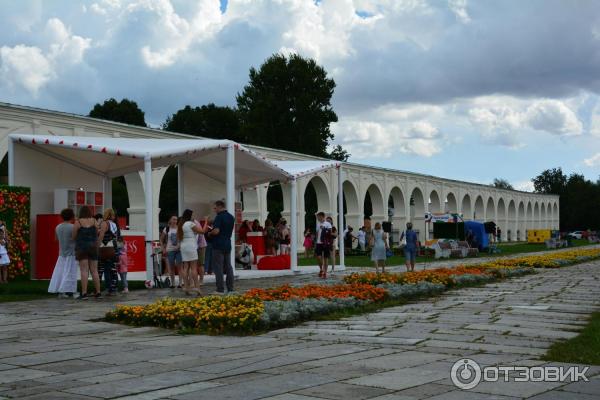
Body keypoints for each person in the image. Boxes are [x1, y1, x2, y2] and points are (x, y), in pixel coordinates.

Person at [73, 206, 101, 299]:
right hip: (93, 247)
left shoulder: (78, 222)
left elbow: (74, 236)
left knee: (84, 271)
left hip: (82, 247)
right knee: (94, 270)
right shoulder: (94, 221)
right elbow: (97, 233)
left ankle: (84, 293)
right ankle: (98, 292)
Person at [207, 200, 235, 294]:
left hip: (218, 245)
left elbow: (216, 231)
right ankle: (230, 289)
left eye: (215, 208)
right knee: (228, 267)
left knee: (218, 268)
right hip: (227, 244)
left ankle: (220, 289)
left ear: (220, 206)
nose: (214, 210)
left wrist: (210, 233)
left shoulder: (219, 217)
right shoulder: (231, 217)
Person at [48, 208, 78, 297]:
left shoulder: (58, 227)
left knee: (60, 272)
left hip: (61, 253)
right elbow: (75, 238)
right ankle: (68, 290)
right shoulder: (73, 227)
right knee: (70, 273)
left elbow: (56, 239)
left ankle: (60, 290)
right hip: (72, 253)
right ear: (72, 216)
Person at [178, 209, 206, 295]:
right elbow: (202, 231)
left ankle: (186, 287)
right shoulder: (190, 224)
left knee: (186, 267)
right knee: (193, 268)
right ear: (189, 216)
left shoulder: (180, 224)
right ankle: (197, 287)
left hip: (183, 246)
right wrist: (206, 221)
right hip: (191, 245)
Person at [98, 208, 119, 296]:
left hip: (105, 249)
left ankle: (108, 288)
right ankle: (114, 288)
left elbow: (102, 235)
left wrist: (97, 245)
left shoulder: (104, 223)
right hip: (113, 249)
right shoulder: (114, 224)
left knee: (105, 269)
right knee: (112, 269)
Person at [160, 215, 181, 289]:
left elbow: (182, 239)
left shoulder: (179, 228)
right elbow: (161, 240)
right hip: (170, 250)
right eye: (173, 219)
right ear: (170, 220)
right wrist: (163, 249)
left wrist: (180, 245)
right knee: (171, 266)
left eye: (176, 219)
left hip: (179, 250)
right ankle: (173, 283)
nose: (175, 221)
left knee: (179, 266)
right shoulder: (167, 229)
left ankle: (180, 283)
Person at [315, 212, 332, 279]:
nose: (317, 218)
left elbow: (330, 233)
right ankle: (321, 268)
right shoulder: (318, 224)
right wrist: (315, 242)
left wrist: (324, 228)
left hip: (325, 243)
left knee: (325, 258)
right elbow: (317, 233)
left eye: (318, 217)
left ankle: (325, 272)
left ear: (322, 216)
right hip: (318, 242)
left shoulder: (328, 224)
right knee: (318, 256)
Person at [196, 218, 209, 285]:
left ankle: (201, 280)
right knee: (194, 264)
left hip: (200, 245)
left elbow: (200, 234)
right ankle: (195, 281)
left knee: (200, 264)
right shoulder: (190, 223)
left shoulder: (195, 223)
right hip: (195, 246)